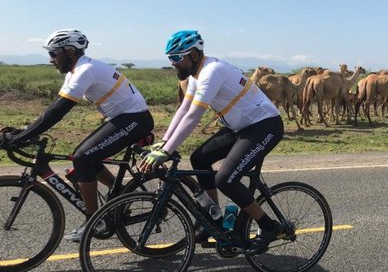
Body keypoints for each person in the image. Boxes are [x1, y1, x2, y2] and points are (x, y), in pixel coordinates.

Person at [138, 30, 284, 254]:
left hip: (264, 126)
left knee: (225, 179)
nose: (173, 64)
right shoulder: (197, 76)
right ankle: (214, 216)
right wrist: (164, 143)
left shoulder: (211, 72)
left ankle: (269, 226)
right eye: (170, 59)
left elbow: (194, 116)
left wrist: (167, 151)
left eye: (177, 58)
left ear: (194, 55)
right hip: (240, 127)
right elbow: (184, 109)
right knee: (199, 158)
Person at [2, 29, 154, 240]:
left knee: (82, 158)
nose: (51, 59)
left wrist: (22, 138)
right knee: (82, 155)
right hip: (123, 118)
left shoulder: (85, 70)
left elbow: (59, 111)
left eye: (54, 54)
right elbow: (53, 107)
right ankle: (119, 192)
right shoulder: (77, 70)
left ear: (70, 51)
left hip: (135, 119)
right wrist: (24, 131)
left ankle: (94, 221)